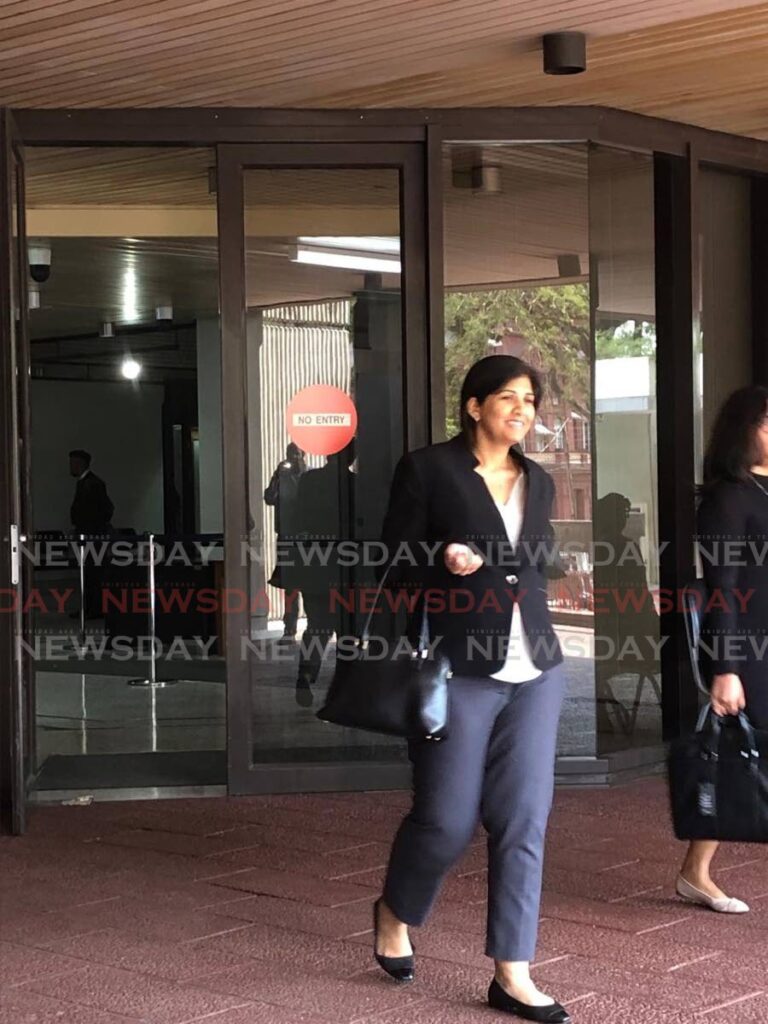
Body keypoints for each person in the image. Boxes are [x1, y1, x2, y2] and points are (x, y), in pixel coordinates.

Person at [373, 356, 570, 1023]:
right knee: (447, 819)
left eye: (530, 400)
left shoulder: (538, 481)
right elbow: (393, 568)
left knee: (523, 820)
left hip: (536, 669)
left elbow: (538, 559)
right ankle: (396, 910)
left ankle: (513, 972)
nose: (522, 409)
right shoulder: (428, 470)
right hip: (459, 666)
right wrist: (441, 560)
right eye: (508, 398)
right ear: (474, 406)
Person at [676, 385, 768, 914]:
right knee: (738, 760)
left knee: (743, 762)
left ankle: (694, 869)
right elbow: (723, 589)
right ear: (742, 430)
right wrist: (727, 668)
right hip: (751, 649)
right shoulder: (727, 498)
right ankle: (695, 869)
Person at [291, 442, 355, 707]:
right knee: (346, 628)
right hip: (345, 564)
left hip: (314, 563)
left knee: (317, 625)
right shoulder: (355, 484)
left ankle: (307, 672)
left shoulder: (309, 481)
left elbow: (298, 517)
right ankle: (344, 684)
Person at [264, 442, 306, 641]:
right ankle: (290, 627)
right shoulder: (282, 475)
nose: (294, 458)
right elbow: (269, 498)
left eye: (297, 454)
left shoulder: (309, 477)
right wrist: (277, 477)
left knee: (308, 582)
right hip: (287, 536)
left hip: (306, 538)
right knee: (289, 584)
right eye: (291, 454)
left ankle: (313, 623)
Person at [69, 449, 114, 619]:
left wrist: (88, 528)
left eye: (73, 463)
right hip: (90, 535)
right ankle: (90, 608)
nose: (71, 467)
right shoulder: (88, 483)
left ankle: (93, 609)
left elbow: (100, 510)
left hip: (92, 536)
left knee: (93, 573)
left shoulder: (91, 484)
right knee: (89, 573)